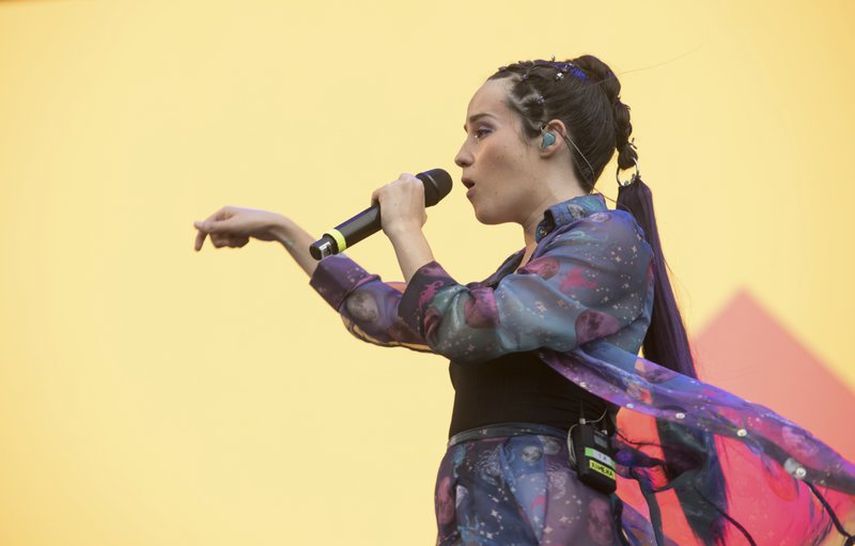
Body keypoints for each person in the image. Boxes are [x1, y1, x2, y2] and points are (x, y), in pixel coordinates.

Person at [193, 56, 855, 545]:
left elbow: (461, 324)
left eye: (481, 131)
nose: (461, 156)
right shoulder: (525, 276)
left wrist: (405, 229)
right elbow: (394, 313)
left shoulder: (605, 240)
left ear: (549, 136)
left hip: (550, 515)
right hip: (492, 511)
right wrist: (288, 231)